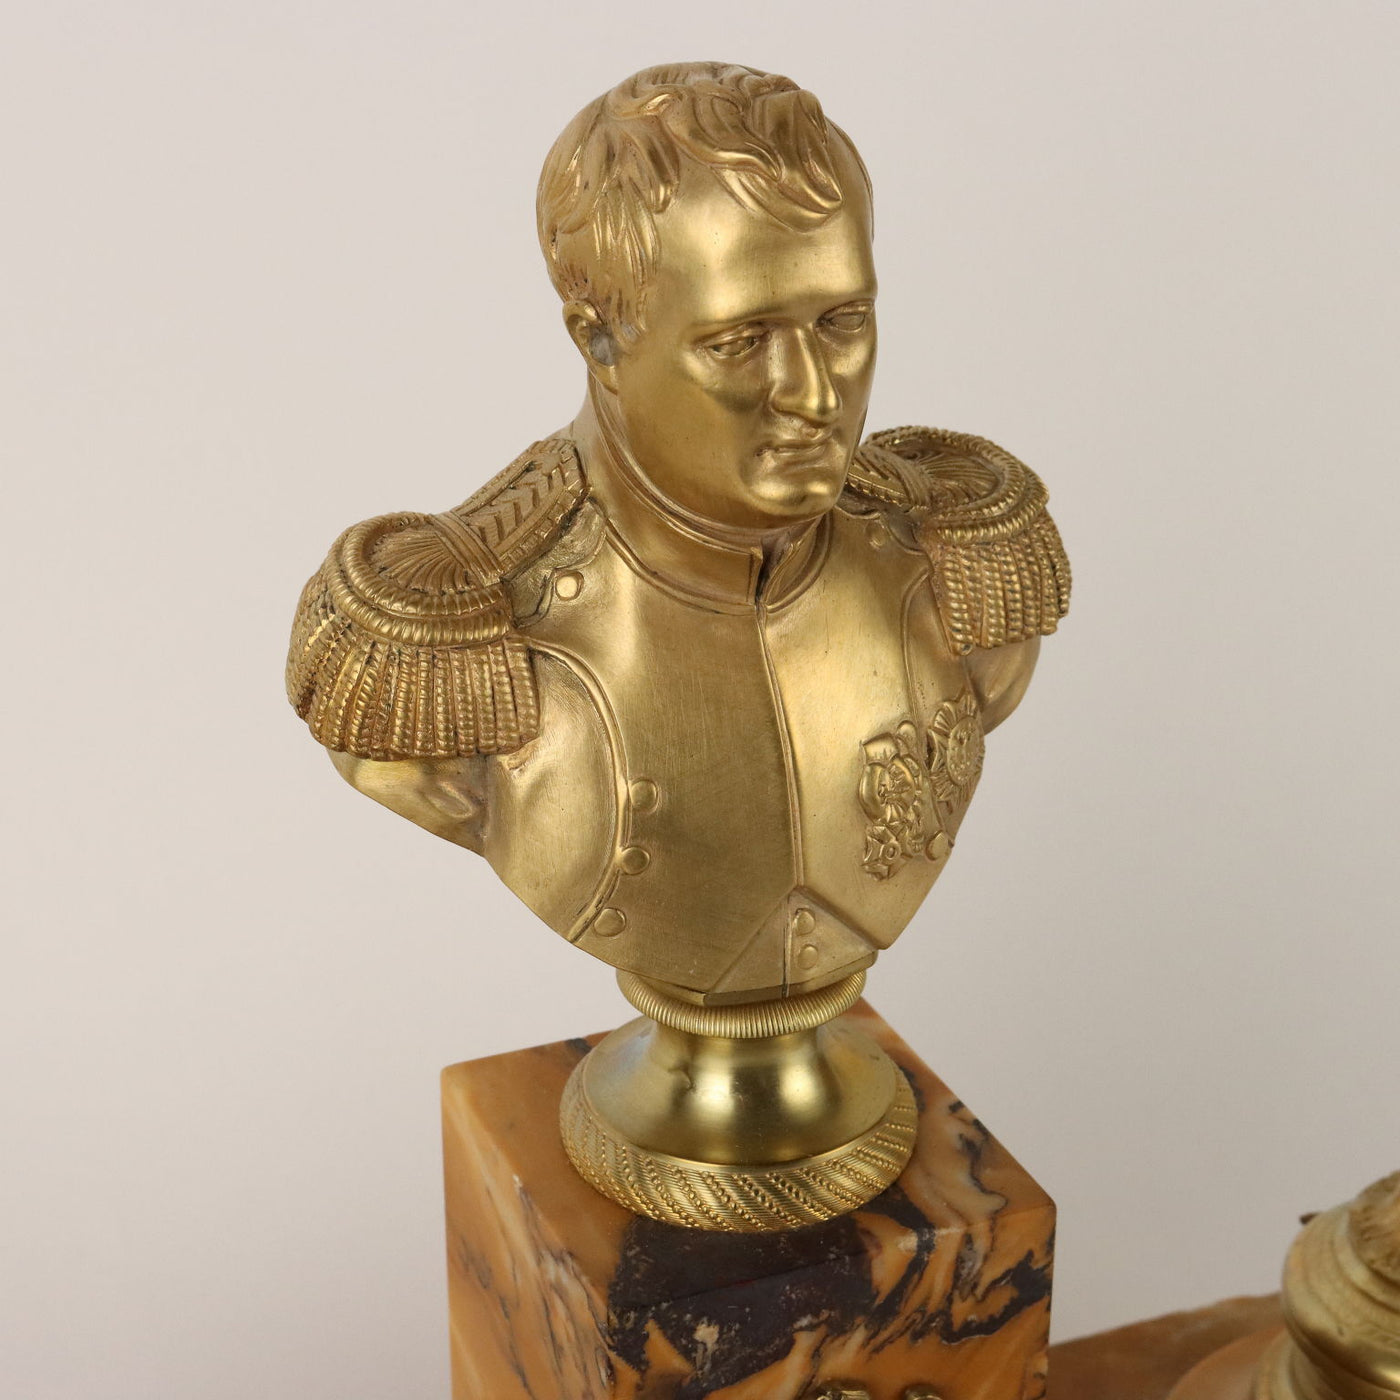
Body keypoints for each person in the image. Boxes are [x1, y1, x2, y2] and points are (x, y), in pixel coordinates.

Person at [286, 62, 1070, 1008]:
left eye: (842, 322)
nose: (814, 395)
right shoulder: (441, 645)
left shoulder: (958, 564)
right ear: (599, 339)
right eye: (740, 341)